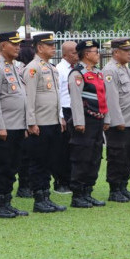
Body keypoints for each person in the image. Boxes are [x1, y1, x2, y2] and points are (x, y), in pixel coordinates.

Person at [23, 33, 66, 213]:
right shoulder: (33, 68)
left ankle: (46, 196)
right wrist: (31, 122)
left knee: (49, 161)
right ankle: (39, 198)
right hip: (39, 123)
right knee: (38, 162)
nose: (53, 48)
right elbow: (29, 97)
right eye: (49, 45)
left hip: (52, 121)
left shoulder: (51, 68)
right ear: (39, 47)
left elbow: (56, 96)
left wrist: (60, 117)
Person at [0, 31, 29, 218]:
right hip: (4, 127)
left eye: (19, 44)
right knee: (2, 167)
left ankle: (7, 202)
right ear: (3, 46)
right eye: (14, 44)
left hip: (18, 125)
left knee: (13, 166)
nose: (18, 46)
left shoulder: (14, 67)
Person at [68, 40, 109, 208]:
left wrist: (106, 119)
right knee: (82, 157)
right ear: (86, 54)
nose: (98, 54)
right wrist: (79, 122)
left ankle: (88, 192)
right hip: (85, 121)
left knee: (95, 157)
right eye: (95, 51)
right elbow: (76, 100)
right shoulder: (77, 74)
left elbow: (103, 98)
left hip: (97, 121)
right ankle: (78, 195)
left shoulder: (98, 73)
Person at [103, 37, 130, 202]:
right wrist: (118, 121)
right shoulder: (110, 70)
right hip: (119, 123)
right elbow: (111, 99)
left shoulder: (125, 68)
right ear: (116, 52)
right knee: (117, 155)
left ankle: (123, 187)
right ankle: (114, 190)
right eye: (126, 51)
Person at [53, 41, 78, 194]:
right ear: (65, 55)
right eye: (74, 53)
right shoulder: (59, 70)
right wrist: (60, 115)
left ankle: (71, 179)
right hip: (65, 111)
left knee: (75, 148)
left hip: (76, 111)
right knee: (63, 150)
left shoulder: (78, 69)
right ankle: (60, 181)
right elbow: (56, 94)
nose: (77, 55)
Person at [15, 38, 35, 198]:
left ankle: (28, 184)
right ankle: (24, 185)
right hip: (26, 116)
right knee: (25, 154)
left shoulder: (24, 68)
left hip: (32, 115)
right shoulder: (24, 69)